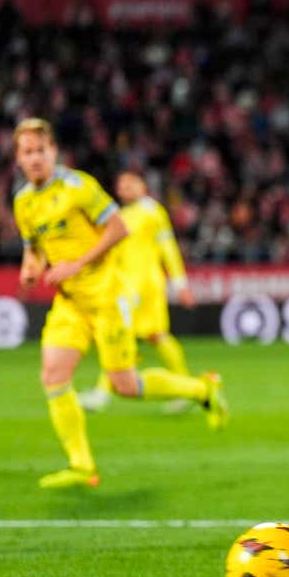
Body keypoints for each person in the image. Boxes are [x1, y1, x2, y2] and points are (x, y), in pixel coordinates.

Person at [12, 118, 228, 489]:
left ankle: (200, 390)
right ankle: (81, 465)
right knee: (53, 374)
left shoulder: (78, 187)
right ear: (18, 158)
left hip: (108, 296)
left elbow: (117, 228)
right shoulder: (23, 201)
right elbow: (33, 249)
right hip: (70, 302)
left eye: (40, 151)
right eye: (27, 152)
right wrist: (30, 271)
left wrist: (77, 263)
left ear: (54, 152)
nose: (34, 159)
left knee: (125, 384)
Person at [79, 171, 198, 414]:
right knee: (156, 337)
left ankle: (102, 393)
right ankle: (189, 388)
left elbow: (168, 248)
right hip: (126, 285)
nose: (125, 189)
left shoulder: (151, 211)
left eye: (130, 184)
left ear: (143, 186)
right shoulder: (122, 215)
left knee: (120, 332)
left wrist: (180, 283)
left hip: (144, 285)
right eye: (121, 186)